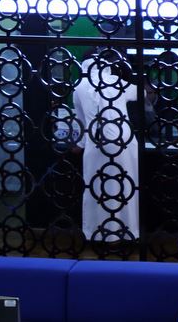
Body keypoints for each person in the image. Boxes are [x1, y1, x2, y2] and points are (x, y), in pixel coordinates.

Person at [73, 48, 139, 243]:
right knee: (125, 188)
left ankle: (98, 234)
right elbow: (142, 93)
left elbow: (81, 122)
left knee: (97, 189)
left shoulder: (79, 87)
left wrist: (79, 144)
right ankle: (128, 232)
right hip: (124, 141)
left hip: (97, 143)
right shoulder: (117, 82)